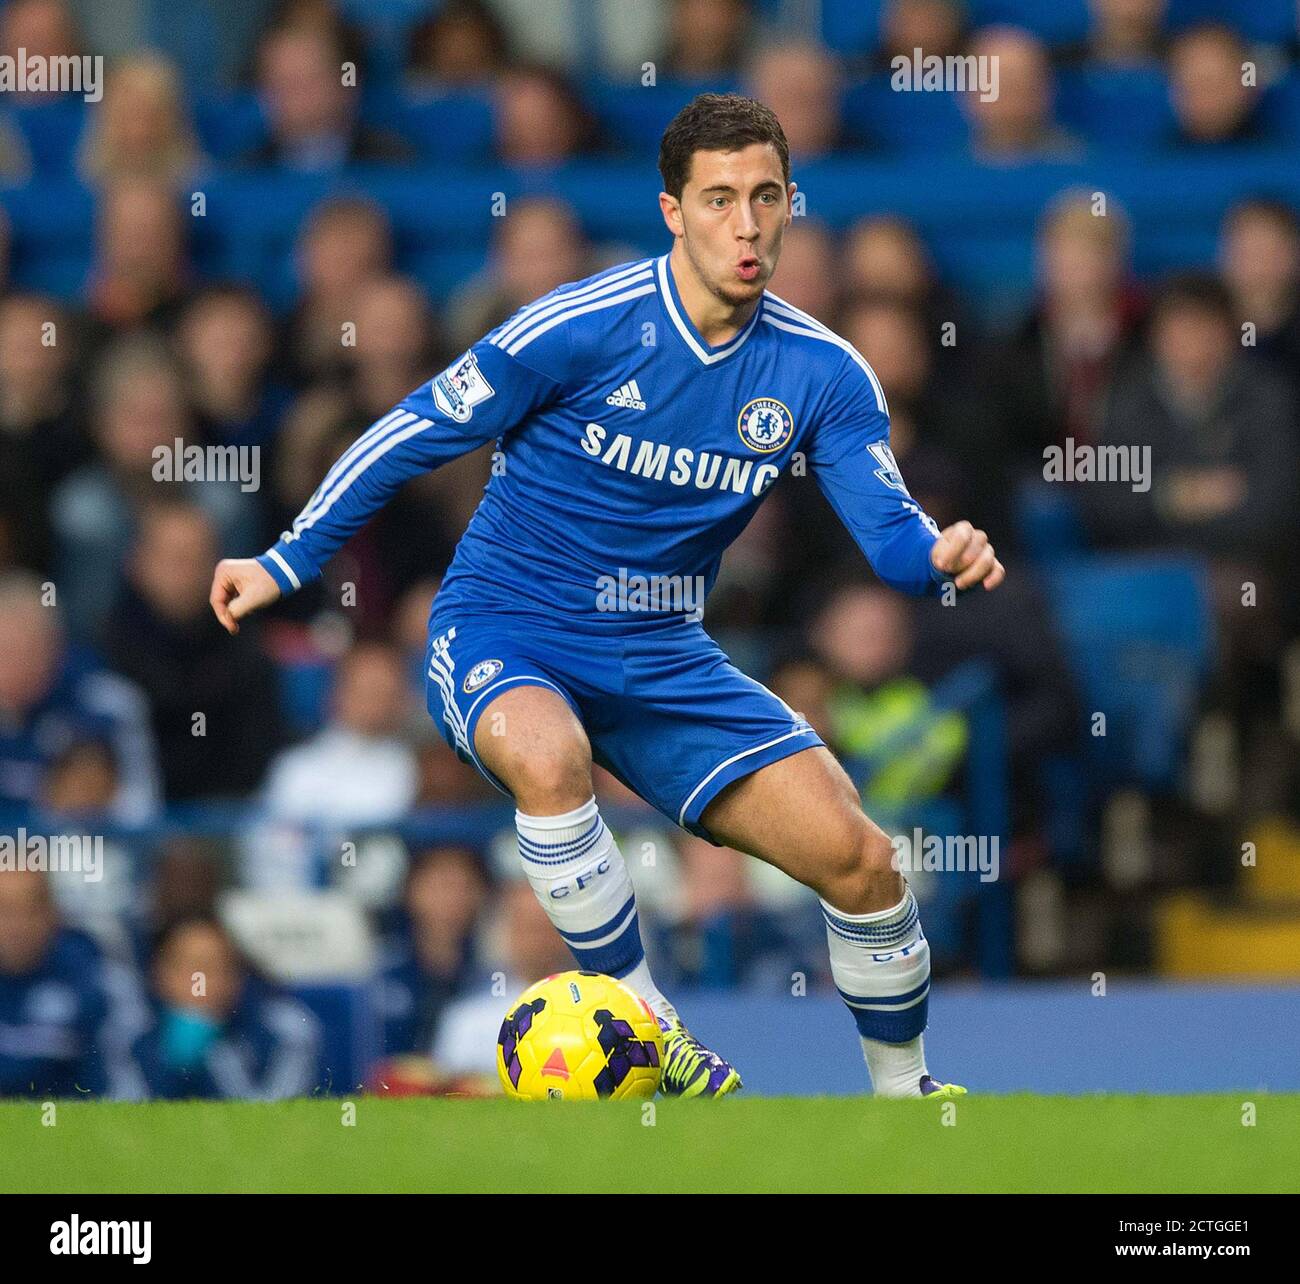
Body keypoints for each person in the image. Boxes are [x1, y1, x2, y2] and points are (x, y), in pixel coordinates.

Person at [211, 94, 1005, 1099]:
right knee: (549, 759)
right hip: (508, 627)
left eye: (766, 197)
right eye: (719, 200)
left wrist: (939, 553)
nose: (747, 224)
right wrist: (285, 561)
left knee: (863, 861)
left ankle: (906, 1099)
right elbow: (410, 430)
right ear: (673, 211)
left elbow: (889, 539)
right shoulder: (581, 326)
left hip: (665, 655)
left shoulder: (822, 373)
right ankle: (652, 1030)